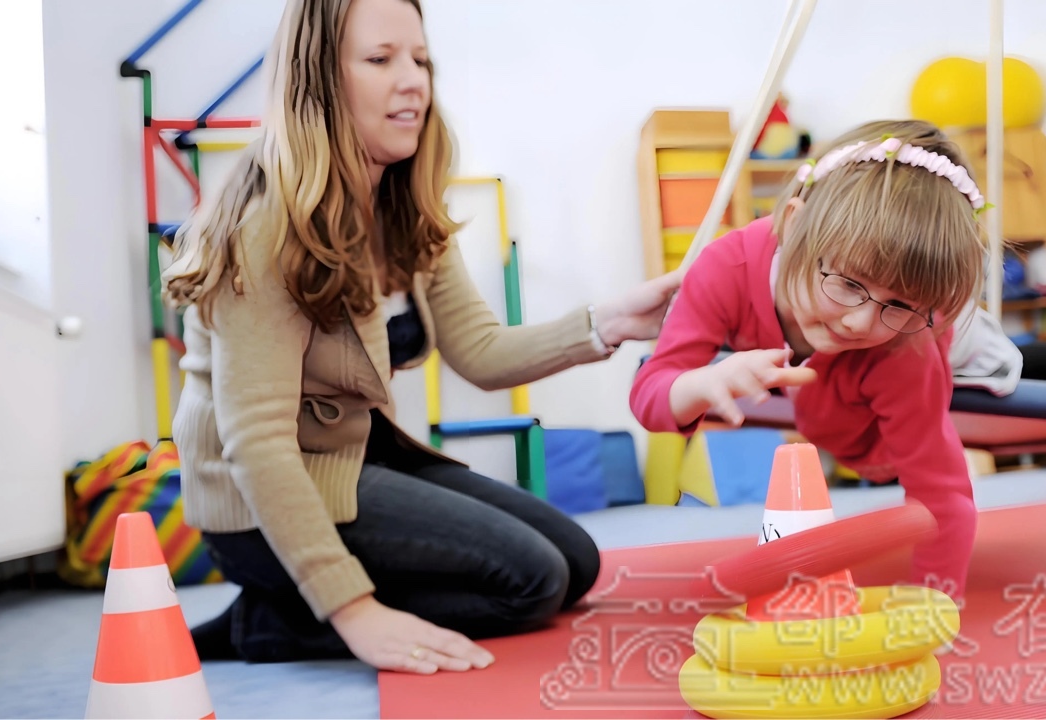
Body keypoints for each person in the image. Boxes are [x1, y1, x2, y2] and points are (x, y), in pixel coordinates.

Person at [162, 0, 681, 675]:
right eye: (381, 59)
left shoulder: (401, 201)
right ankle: (269, 622)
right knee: (532, 580)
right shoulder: (266, 229)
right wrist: (356, 613)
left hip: (359, 461)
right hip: (256, 507)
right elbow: (258, 444)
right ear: (318, 78)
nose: (413, 81)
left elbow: (481, 351)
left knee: (574, 562)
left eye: (421, 60)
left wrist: (608, 323)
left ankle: (292, 607)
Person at [630, 120, 987, 600]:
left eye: (898, 303)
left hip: (959, 349)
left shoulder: (907, 341)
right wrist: (700, 384)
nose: (859, 322)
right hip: (846, 389)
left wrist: (936, 604)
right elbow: (650, 394)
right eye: (847, 283)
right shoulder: (726, 268)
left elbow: (941, 492)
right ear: (793, 224)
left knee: (999, 360)